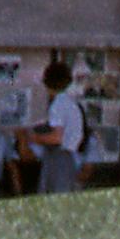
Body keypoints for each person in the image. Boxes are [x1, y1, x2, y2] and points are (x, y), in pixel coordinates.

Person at [31, 57, 89, 196]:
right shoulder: (72, 103)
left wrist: (35, 138)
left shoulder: (58, 104)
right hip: (71, 157)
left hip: (58, 157)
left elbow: (57, 137)